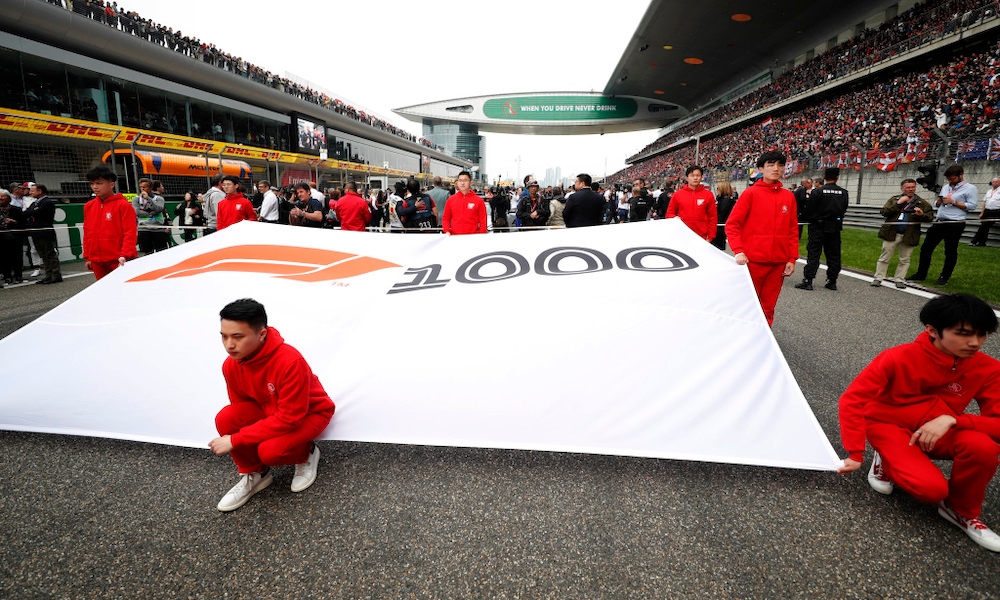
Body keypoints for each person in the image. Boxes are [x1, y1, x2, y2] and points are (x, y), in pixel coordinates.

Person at [837, 293, 1000, 552]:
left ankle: (960, 511)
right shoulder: (897, 357)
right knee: (931, 490)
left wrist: (954, 420)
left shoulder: (989, 368)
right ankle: (885, 459)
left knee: (984, 448)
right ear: (932, 330)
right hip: (888, 425)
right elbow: (852, 400)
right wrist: (855, 452)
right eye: (964, 333)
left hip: (936, 430)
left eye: (982, 335)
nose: (975, 343)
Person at [209, 298, 335, 512]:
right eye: (224, 336)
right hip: (273, 413)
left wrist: (237, 440)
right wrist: (243, 440)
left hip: (309, 414)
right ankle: (256, 473)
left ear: (262, 334)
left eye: (237, 337)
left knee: (270, 451)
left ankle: (307, 453)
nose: (229, 344)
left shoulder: (290, 361)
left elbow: (291, 418)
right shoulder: (231, 365)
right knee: (226, 418)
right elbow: (240, 408)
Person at [724, 151, 799, 327]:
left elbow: (792, 230)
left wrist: (792, 258)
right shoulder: (750, 194)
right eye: (771, 165)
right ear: (760, 169)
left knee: (768, 307)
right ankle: (741, 338)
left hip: (778, 263)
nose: (776, 169)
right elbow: (732, 224)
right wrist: (739, 251)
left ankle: (763, 343)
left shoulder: (788, 196)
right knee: (747, 305)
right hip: (752, 262)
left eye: (780, 165)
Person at [908, 164, 978, 286]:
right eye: (948, 179)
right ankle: (921, 274)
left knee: (950, 250)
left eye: (952, 178)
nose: (950, 181)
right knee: (926, 248)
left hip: (955, 223)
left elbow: (972, 206)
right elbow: (936, 203)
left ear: (960, 175)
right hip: (940, 221)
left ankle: (944, 276)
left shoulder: (970, 188)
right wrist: (939, 201)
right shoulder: (946, 187)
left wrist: (954, 202)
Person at [871, 179, 933, 289]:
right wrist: (898, 204)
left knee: (905, 259)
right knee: (885, 256)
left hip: (910, 234)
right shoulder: (895, 199)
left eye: (913, 187)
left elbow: (930, 217)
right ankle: (878, 278)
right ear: (902, 189)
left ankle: (899, 279)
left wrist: (921, 214)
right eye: (908, 187)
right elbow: (884, 212)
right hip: (892, 233)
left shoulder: (921, 202)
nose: (910, 189)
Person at [795, 167, 849, 291]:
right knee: (834, 255)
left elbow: (810, 209)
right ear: (837, 177)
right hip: (835, 227)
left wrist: (807, 218)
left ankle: (808, 280)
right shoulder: (844, 192)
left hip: (818, 226)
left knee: (814, 253)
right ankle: (832, 280)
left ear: (824, 177)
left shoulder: (818, 192)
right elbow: (844, 209)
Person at [82, 166, 137, 280]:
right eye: (92, 184)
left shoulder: (123, 205)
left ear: (111, 184)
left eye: (99, 183)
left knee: (123, 292)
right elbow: (87, 232)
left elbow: (130, 233)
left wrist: (125, 254)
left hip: (119, 259)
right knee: (104, 293)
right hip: (97, 261)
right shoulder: (89, 206)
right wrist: (88, 257)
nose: (95, 187)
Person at [22, 183, 62, 284]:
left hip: (45, 231)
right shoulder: (34, 203)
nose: (30, 192)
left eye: (32, 190)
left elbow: (36, 213)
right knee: (43, 254)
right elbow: (26, 213)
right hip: (36, 232)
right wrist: (32, 212)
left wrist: (32, 212)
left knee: (50, 254)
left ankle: (56, 274)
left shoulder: (47, 202)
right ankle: (48, 275)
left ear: (40, 191)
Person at [666, 166, 717, 242]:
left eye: (698, 175)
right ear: (687, 178)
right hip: (681, 236)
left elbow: (712, 217)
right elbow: (669, 213)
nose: (695, 178)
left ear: (701, 177)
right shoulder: (677, 195)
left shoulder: (708, 195)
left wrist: (710, 236)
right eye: (692, 175)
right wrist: (674, 218)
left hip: (702, 237)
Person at [441, 170, 487, 235]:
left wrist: (482, 236)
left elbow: (483, 221)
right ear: (457, 182)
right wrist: (447, 230)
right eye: (460, 180)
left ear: (470, 183)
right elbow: (446, 218)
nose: (462, 183)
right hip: (455, 238)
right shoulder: (451, 200)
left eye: (465, 180)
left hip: (473, 238)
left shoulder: (479, 201)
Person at [132, 178, 166, 255]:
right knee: (147, 253)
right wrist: (151, 214)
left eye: (145, 187)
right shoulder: (136, 199)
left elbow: (159, 209)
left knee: (162, 253)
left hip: (158, 229)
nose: (142, 189)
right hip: (144, 229)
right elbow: (136, 212)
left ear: (150, 188)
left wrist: (148, 198)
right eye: (141, 187)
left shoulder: (159, 199)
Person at [0, 189, 23, 286]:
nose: (0, 199)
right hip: (1, 237)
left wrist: (14, 222)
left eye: (2, 196)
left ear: (8, 198)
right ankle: (7, 276)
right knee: (4, 257)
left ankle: (18, 275)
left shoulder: (16, 210)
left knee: (17, 256)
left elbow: (23, 223)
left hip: (14, 236)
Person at [969, 177, 1000, 246]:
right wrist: (982, 212)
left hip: (996, 212)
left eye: (996, 182)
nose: (994, 183)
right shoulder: (989, 191)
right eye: (993, 182)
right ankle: (982, 242)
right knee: (985, 226)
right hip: (987, 211)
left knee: (984, 225)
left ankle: (974, 241)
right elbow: (985, 203)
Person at [712, 182, 738, 251]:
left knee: (716, 248)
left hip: (720, 227)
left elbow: (722, 215)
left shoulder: (726, 201)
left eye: (718, 188)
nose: (717, 190)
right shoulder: (722, 200)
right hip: (719, 226)